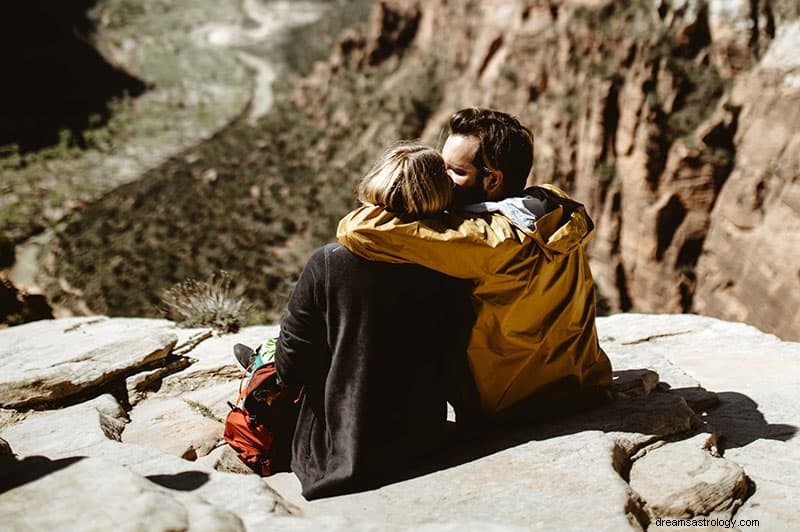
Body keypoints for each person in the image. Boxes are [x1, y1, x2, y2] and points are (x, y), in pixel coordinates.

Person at [337, 108, 613, 420]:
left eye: (454, 171)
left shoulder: (484, 239)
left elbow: (357, 229)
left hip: (508, 404)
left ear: (492, 179)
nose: (441, 178)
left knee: (354, 266)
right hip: (580, 383)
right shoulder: (551, 203)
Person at [275, 142, 479, 500]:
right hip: (422, 440)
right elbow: (456, 362)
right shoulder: (454, 265)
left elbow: (290, 367)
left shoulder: (330, 262)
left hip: (340, 453)